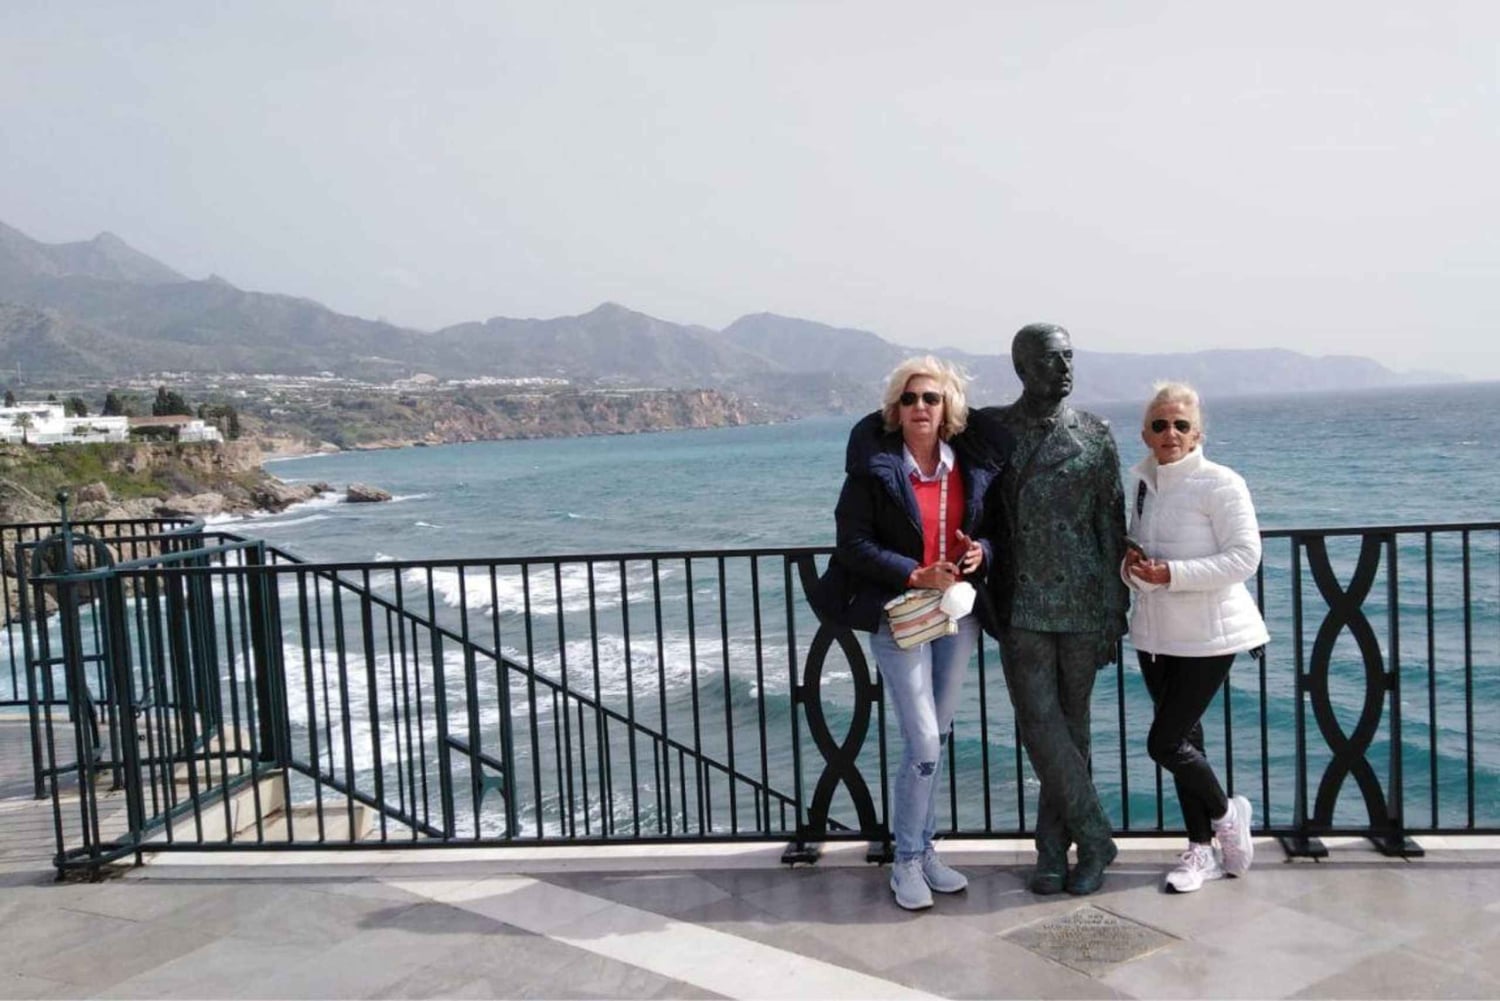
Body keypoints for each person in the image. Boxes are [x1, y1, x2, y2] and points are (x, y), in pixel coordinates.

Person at [812, 355, 1001, 910]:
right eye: (911, 398)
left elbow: (995, 534)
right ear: (895, 410)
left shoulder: (968, 466)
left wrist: (980, 553)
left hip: (956, 614)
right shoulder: (874, 467)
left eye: (932, 398)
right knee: (921, 738)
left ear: (948, 410)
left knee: (935, 738)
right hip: (900, 613)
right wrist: (912, 572)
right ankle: (906, 862)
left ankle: (925, 848)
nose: (921, 407)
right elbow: (851, 544)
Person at [969, 322, 1128, 896]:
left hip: (1083, 600)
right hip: (1020, 601)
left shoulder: (1093, 434)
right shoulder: (992, 429)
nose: (1064, 369)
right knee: (1040, 725)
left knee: (1073, 728)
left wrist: (1116, 607)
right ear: (1022, 368)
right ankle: (1096, 836)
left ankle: (1057, 855)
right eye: (1051, 360)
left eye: (1068, 358)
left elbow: (1111, 525)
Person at [1122, 381, 1269, 893]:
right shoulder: (1140, 481)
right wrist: (1134, 570)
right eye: (1160, 424)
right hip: (1156, 635)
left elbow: (1245, 557)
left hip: (1209, 636)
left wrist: (1174, 574)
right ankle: (1199, 849)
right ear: (1145, 433)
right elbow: (1142, 558)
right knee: (1187, 741)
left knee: (1164, 742)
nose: (1170, 433)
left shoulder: (1221, 483)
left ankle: (1228, 816)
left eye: (1181, 425)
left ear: (1198, 433)